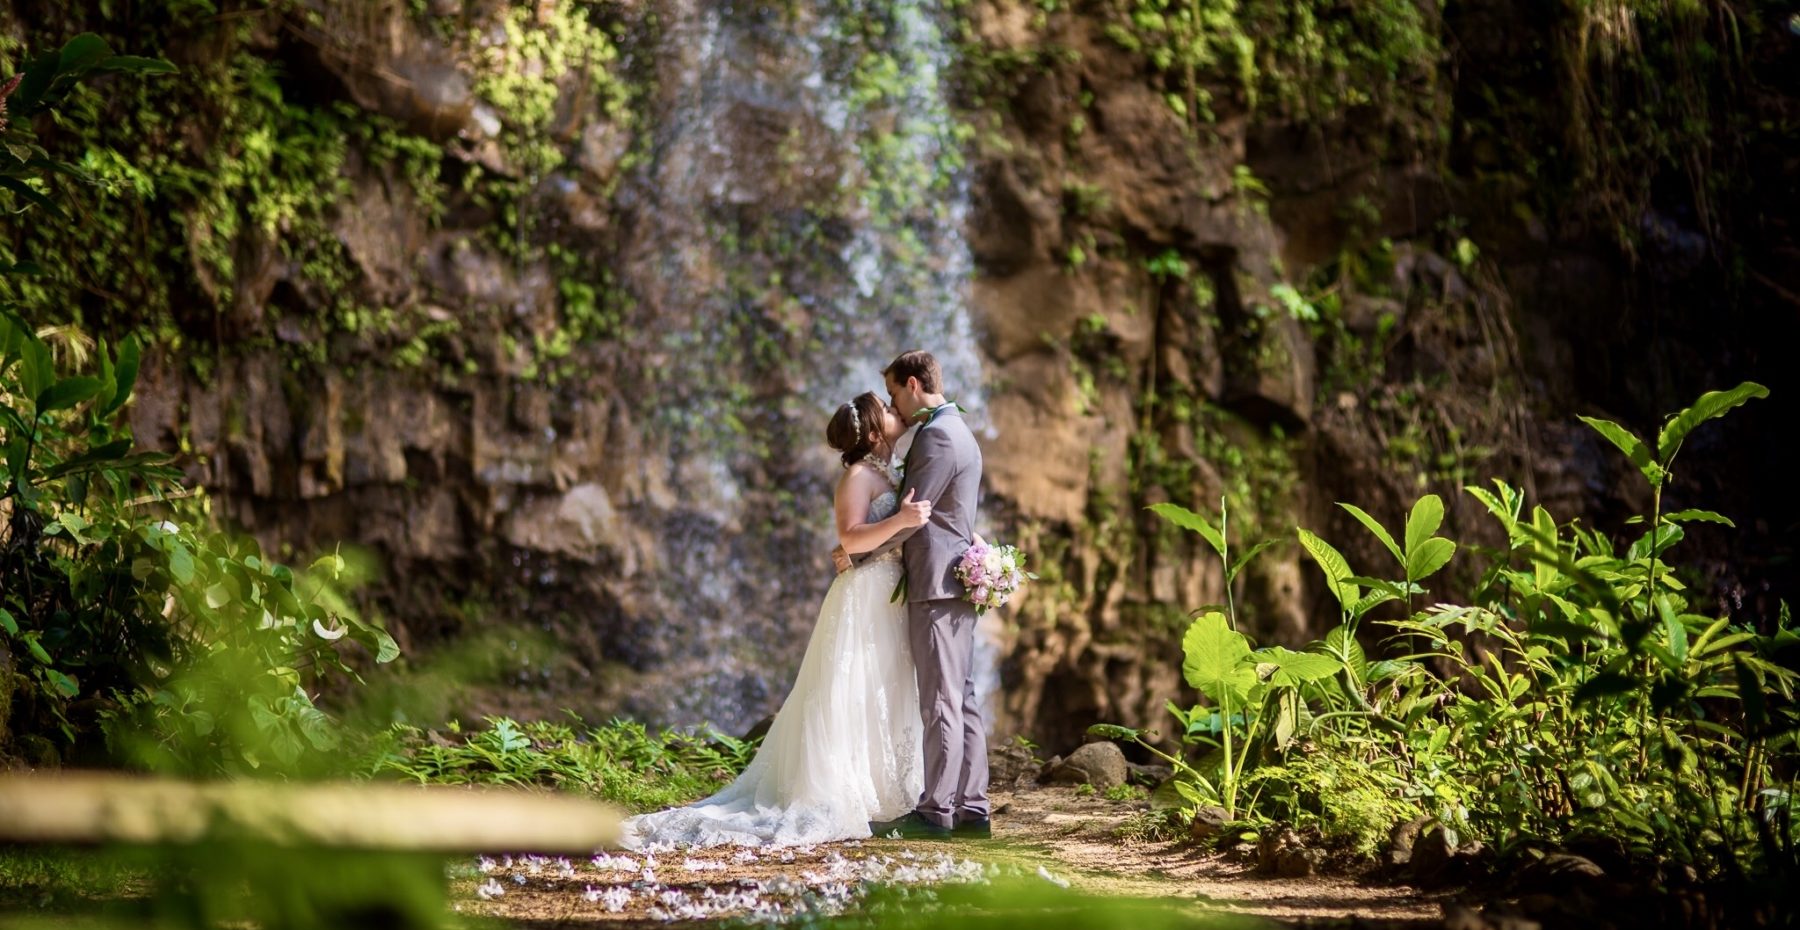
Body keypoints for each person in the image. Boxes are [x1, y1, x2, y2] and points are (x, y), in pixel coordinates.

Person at [621, 392, 930, 848]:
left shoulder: (890, 470)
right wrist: (901, 519)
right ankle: (849, 791)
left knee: (882, 686)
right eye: (884, 408)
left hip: (886, 592)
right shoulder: (858, 476)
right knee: (854, 687)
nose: (892, 409)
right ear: (870, 431)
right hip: (864, 597)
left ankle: (891, 790)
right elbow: (849, 536)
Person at [840, 350, 990, 840]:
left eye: (892, 395)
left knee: (941, 701)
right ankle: (971, 808)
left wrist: (856, 557)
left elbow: (915, 516)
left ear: (911, 384)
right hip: (952, 581)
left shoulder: (939, 435)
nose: (892, 406)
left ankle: (937, 811)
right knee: (960, 697)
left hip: (935, 582)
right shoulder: (955, 429)